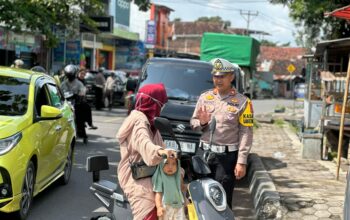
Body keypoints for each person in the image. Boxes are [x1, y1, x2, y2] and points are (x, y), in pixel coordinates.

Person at [190, 58, 253, 209]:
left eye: (222, 76)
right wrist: (202, 123)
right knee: (200, 198)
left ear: (231, 77)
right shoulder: (205, 97)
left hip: (226, 159)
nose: (218, 80)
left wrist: (241, 161)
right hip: (204, 153)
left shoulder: (244, 102)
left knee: (222, 200)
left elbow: (246, 133)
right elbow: (193, 122)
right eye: (215, 76)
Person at [117, 83, 177, 220]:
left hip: (151, 177)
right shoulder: (139, 121)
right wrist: (159, 152)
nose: (162, 108)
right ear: (153, 102)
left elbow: (162, 146)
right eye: (161, 104)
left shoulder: (151, 125)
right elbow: (144, 144)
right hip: (137, 179)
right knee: (149, 213)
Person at [60, 64, 89, 144]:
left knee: (80, 119)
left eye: (71, 75)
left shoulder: (79, 83)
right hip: (66, 104)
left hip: (76, 103)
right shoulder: (63, 83)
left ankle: (84, 135)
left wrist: (79, 95)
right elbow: (60, 93)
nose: (70, 77)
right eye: (69, 75)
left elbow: (83, 92)